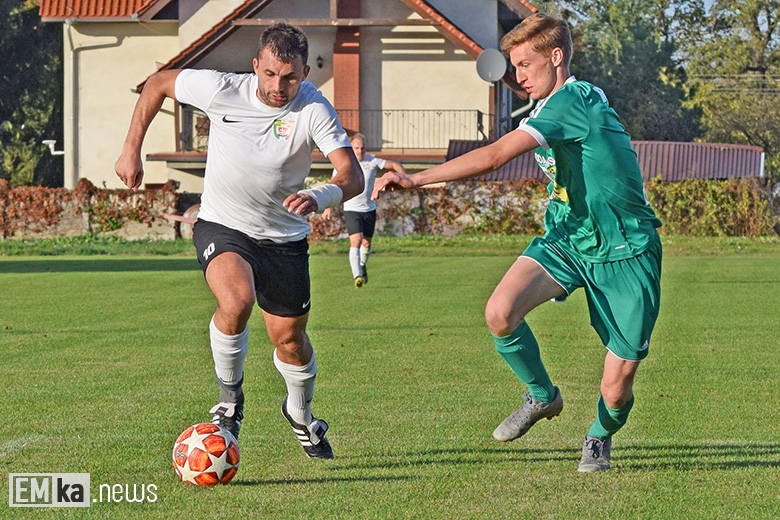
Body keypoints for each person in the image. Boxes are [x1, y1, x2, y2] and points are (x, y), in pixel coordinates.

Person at [372, 13, 662, 472]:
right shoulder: (552, 108)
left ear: (557, 56)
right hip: (567, 239)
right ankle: (543, 396)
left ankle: (598, 436)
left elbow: (494, 157)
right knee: (500, 312)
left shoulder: (574, 101)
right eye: (515, 65)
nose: (519, 75)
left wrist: (417, 178)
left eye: (525, 63)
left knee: (616, 385)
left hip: (626, 253)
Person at [115, 23, 364, 460]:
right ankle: (229, 403)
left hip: (284, 240)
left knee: (289, 340)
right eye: (270, 74)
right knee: (236, 300)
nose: (278, 86)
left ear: (305, 72)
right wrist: (131, 148)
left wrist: (318, 193)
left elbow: (352, 176)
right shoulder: (221, 88)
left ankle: (301, 414)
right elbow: (157, 83)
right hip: (223, 225)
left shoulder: (314, 109)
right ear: (256, 66)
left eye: (289, 77)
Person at [322, 133, 405, 287]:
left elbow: (393, 165)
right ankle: (357, 276)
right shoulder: (345, 166)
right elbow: (333, 185)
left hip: (369, 209)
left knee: (366, 243)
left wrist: (403, 177)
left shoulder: (372, 161)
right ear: (351, 149)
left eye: (362, 148)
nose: (360, 151)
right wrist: (328, 207)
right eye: (356, 148)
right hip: (351, 209)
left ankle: (361, 264)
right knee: (356, 240)